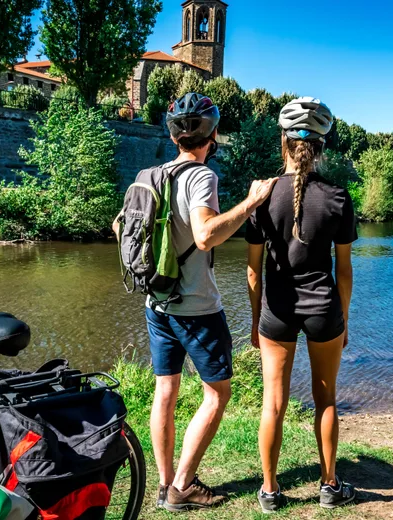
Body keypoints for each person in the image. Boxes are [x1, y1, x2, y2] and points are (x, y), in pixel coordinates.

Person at [115, 93, 277, 512]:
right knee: (217, 394)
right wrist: (252, 202)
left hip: (156, 303)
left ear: (173, 136)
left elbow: (120, 226)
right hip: (197, 308)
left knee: (164, 391)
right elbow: (206, 236)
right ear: (212, 135)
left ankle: (164, 482)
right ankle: (183, 486)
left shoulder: (148, 174)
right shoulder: (201, 176)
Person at [246, 97, 358, 513]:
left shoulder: (261, 196)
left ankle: (271, 492)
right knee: (326, 400)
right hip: (324, 308)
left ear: (284, 142)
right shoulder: (338, 197)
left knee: (272, 402)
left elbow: (254, 272)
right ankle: (329, 486)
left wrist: (257, 319)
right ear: (321, 147)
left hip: (276, 310)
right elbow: (343, 270)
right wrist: (342, 319)